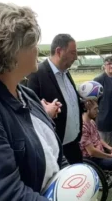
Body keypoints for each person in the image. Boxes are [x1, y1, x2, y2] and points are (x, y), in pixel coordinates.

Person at [0, 2, 68, 201]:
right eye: (32, 43)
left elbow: (54, 155)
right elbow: (2, 195)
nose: (37, 50)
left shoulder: (26, 94)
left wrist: (73, 178)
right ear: (11, 50)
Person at [27, 34, 84, 164]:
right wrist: (46, 112)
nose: (75, 57)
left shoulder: (66, 72)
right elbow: (30, 113)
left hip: (73, 145)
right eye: (72, 53)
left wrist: (83, 104)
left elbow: (69, 103)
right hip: (55, 151)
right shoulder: (37, 74)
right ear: (59, 51)